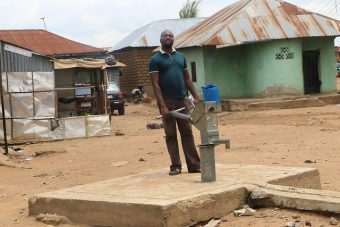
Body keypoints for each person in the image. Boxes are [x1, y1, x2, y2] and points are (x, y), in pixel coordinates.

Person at [149, 29, 201, 176]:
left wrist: (195, 96)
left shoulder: (181, 57)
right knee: (171, 135)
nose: (168, 37)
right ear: (160, 40)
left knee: (187, 133)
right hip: (167, 102)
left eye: (170, 35)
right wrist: (163, 105)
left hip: (182, 100)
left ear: (173, 39)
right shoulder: (155, 60)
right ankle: (175, 166)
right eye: (165, 35)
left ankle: (194, 165)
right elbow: (155, 84)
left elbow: (187, 78)